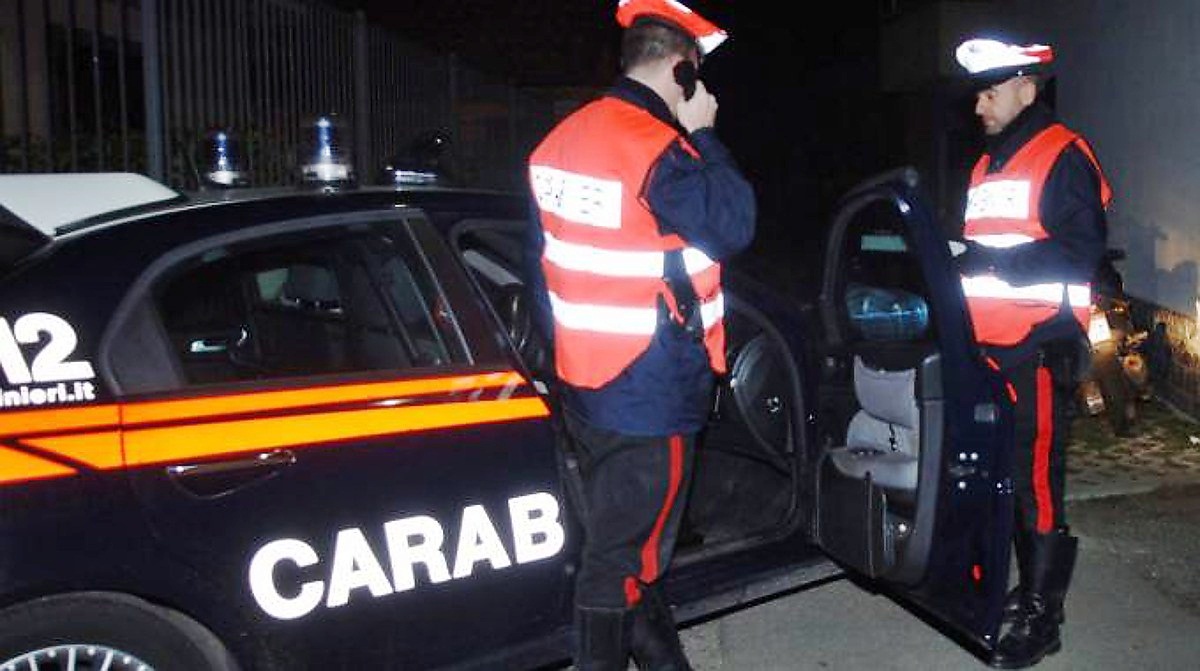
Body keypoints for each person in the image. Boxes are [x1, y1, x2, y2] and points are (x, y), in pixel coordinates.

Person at [525, 1, 756, 669]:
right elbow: (735, 222)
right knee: (621, 562)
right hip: (651, 392)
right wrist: (705, 134)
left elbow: (543, 265)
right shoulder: (657, 148)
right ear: (683, 71)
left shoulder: (559, 141)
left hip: (586, 382)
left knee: (626, 545)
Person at [952, 36, 1113, 669]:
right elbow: (985, 253)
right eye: (977, 94)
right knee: (1000, 476)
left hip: (1037, 346)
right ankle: (1016, 589)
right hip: (985, 348)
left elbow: (1081, 250)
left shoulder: (1062, 153)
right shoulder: (985, 166)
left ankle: (1044, 618)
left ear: (1026, 88)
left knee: (1035, 480)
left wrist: (992, 262)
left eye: (990, 92)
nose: (979, 106)